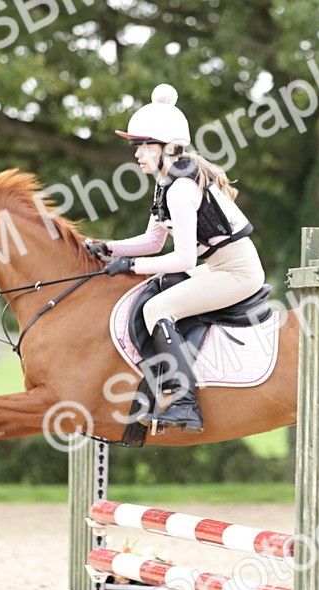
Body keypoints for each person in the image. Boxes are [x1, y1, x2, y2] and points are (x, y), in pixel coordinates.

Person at [85, 84, 263, 434]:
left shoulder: (181, 187)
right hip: (217, 269)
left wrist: (131, 267)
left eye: (142, 146)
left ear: (167, 148)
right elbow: (153, 241)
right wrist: (109, 247)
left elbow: (182, 258)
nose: (136, 154)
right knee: (155, 292)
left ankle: (184, 402)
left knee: (156, 309)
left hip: (236, 273)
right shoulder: (168, 181)